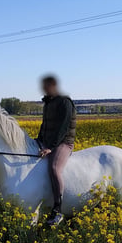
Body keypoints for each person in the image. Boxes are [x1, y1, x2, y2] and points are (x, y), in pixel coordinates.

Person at [36, 74, 76, 226]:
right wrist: (38, 140)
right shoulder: (49, 102)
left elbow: (63, 128)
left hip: (63, 142)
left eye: (46, 87)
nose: (43, 90)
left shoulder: (64, 102)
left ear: (53, 86)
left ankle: (58, 210)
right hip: (48, 142)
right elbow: (45, 125)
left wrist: (50, 148)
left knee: (54, 168)